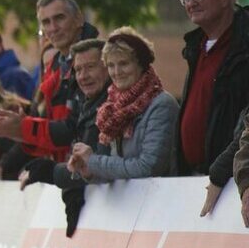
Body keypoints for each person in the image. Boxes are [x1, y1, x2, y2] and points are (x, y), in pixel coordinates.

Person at [0, 0, 100, 184]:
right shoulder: (57, 64)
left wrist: (22, 128)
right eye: (45, 22)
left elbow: (74, 128)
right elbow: (42, 125)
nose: (52, 28)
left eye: (59, 18)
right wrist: (3, 165)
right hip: (68, 175)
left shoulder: (95, 58)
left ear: (79, 19)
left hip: (92, 177)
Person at [175, 0, 249, 217]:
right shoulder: (196, 47)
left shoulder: (244, 44)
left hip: (233, 181)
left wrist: (225, 167)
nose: (191, 3)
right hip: (197, 180)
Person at [66, 28, 178, 183]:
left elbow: (148, 167)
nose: (117, 72)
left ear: (141, 63)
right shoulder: (113, 109)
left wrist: (93, 161)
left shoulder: (162, 105)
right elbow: (117, 173)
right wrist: (87, 170)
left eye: (124, 63)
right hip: (130, 204)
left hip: (159, 202)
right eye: (111, 65)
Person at [20, 38, 110, 189]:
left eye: (90, 67)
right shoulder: (86, 104)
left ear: (108, 67)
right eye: (78, 69)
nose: (83, 76)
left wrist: (50, 171)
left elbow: (95, 168)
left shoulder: (113, 107)